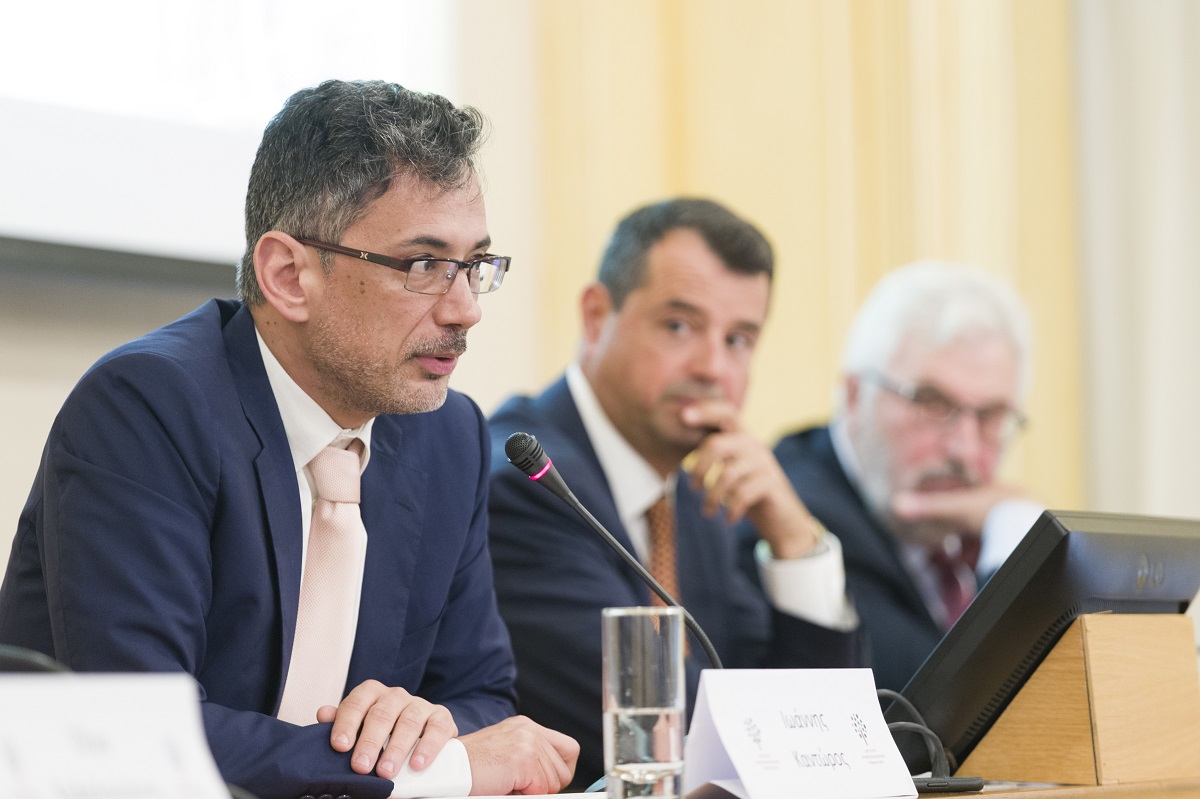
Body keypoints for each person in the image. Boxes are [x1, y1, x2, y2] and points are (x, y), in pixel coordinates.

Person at [0, 80, 577, 799]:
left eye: (474, 266)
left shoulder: (446, 434)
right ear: (288, 275)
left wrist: (422, 726)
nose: (465, 310)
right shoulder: (148, 408)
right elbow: (139, 735)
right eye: (424, 266)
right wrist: (435, 768)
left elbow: (480, 694)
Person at [486, 197, 862, 788]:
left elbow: (815, 737)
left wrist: (795, 542)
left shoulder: (695, 494)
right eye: (679, 326)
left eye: (739, 339)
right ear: (596, 316)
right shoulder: (528, 484)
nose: (713, 367)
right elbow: (663, 737)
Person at [767, 260, 1045, 693]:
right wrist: (1016, 533)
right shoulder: (796, 512)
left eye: (991, 416)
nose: (964, 449)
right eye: (931, 403)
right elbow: (945, 705)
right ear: (855, 397)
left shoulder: (957, 528)